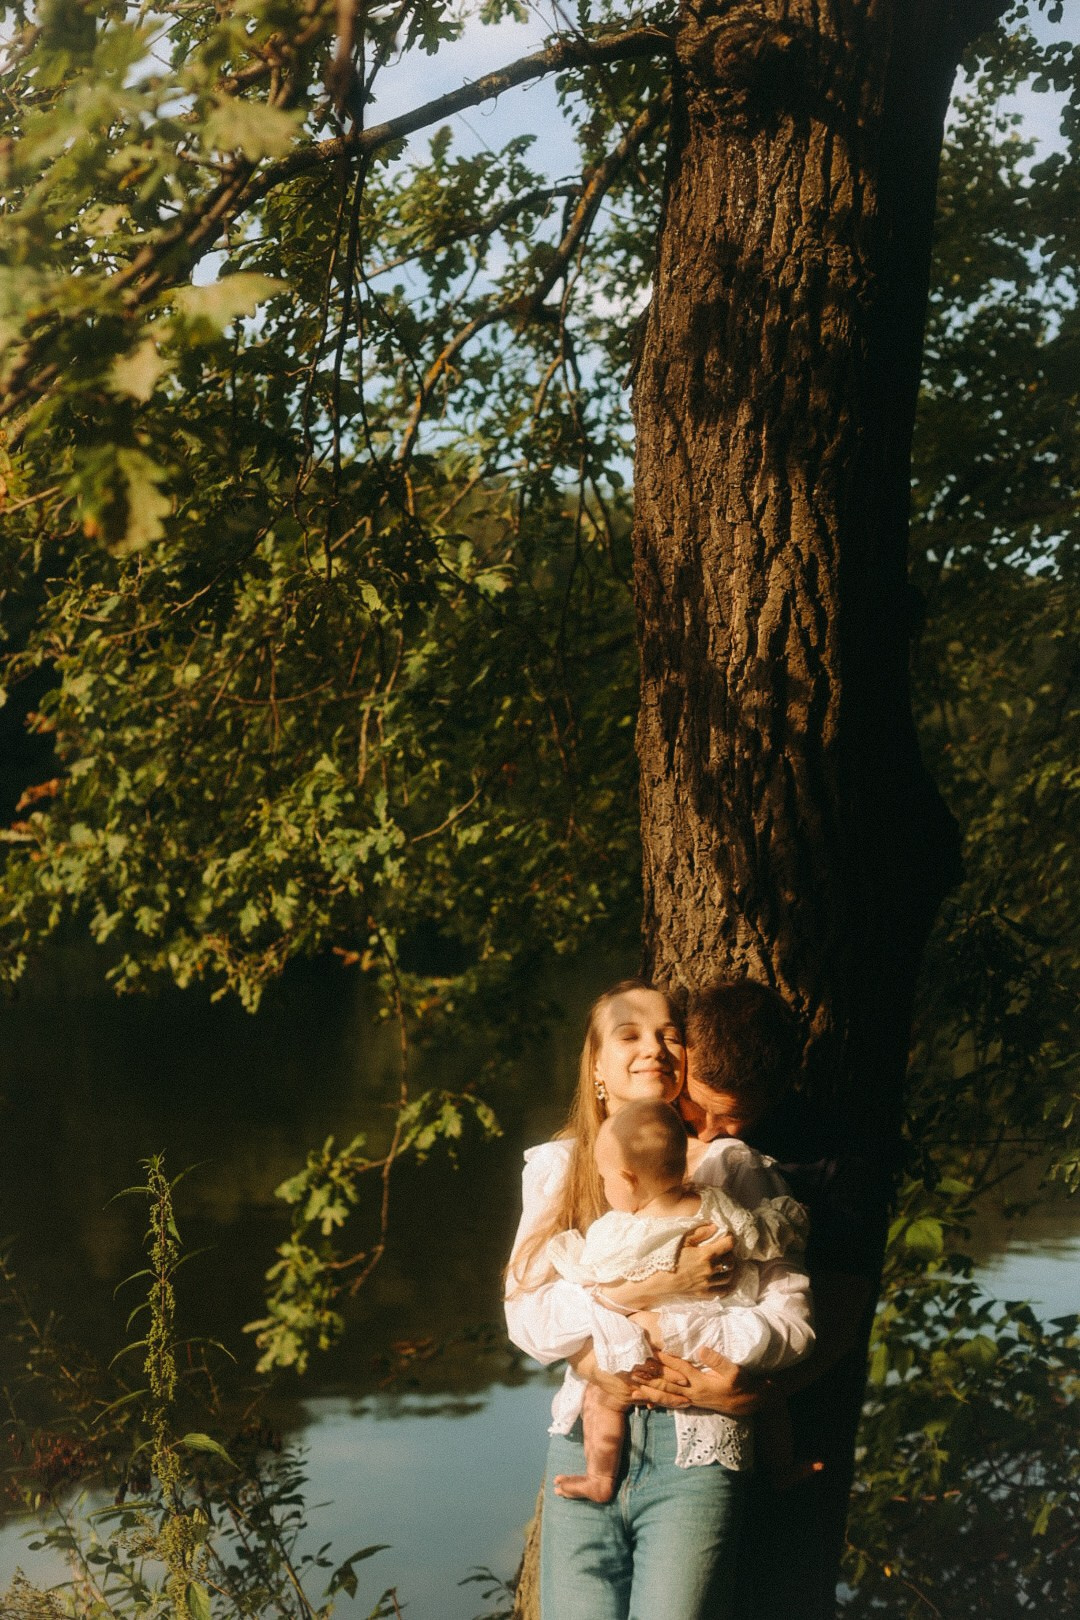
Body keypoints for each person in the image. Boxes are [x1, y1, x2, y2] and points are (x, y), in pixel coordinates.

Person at [504, 979, 814, 1620]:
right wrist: (654, 1291)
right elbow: (528, 1321)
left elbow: (790, 1315)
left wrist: (690, 1346)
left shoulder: (734, 1170)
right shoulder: (560, 1170)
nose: (655, 1048)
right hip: (584, 1438)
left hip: (694, 1449)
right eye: (630, 1034)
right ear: (595, 1064)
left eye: (670, 1034)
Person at [633, 979, 888, 1619]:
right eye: (703, 1108)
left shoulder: (835, 1158)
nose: (715, 1131)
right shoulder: (643, 1123)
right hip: (647, 1424)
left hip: (783, 1408)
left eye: (738, 1118)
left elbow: (843, 1304)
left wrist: (763, 1394)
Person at [546, 1098, 809, 1503]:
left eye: (604, 1179)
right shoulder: (717, 1203)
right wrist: (784, 1224)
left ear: (629, 1181)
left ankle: (599, 1478)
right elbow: (757, 1235)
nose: (603, 1188)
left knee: (601, 1397)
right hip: (721, 1344)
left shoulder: (621, 1230)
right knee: (766, 1402)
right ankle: (783, 1468)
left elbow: (593, 1278)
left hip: (656, 1351)